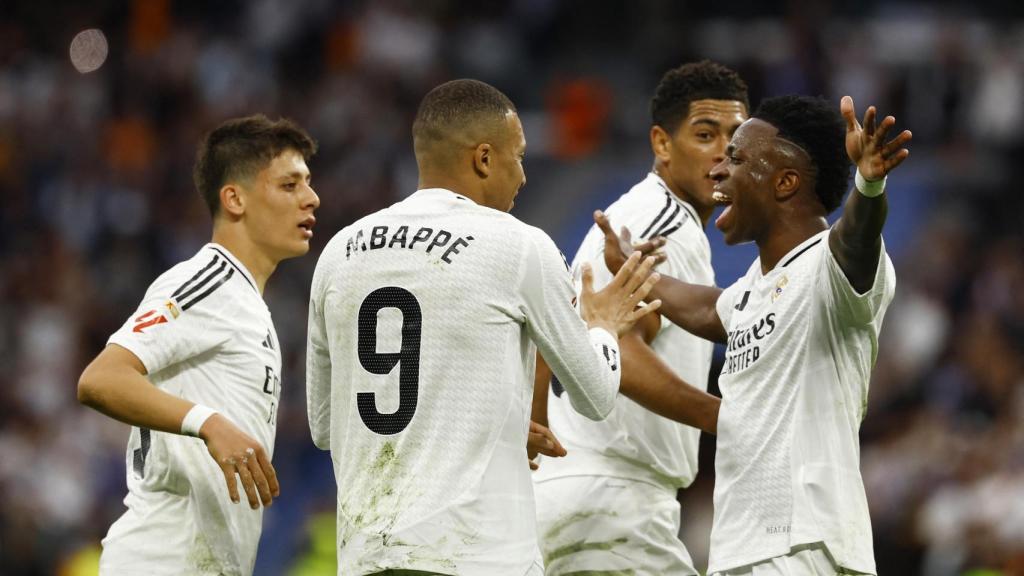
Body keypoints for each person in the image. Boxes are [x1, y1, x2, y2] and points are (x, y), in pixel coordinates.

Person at [305, 78, 662, 576]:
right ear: (484, 159)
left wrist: (491, 423)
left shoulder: (339, 251)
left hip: (368, 557)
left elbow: (325, 426)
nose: (523, 176)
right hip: (479, 556)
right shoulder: (517, 245)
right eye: (519, 157)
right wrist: (601, 326)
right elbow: (595, 397)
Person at [596, 95, 912, 576]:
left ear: (785, 182)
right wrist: (636, 268)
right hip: (744, 548)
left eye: (738, 158)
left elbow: (858, 241)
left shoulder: (830, 269)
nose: (719, 170)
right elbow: (708, 308)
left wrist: (869, 186)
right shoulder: (752, 290)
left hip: (805, 545)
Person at [77, 115, 321, 575]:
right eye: (290, 185)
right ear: (234, 198)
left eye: (307, 183)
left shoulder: (247, 302)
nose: (312, 198)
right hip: (161, 560)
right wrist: (209, 423)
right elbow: (100, 378)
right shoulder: (208, 281)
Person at [533, 60, 748, 575]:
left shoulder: (639, 214)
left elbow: (557, 335)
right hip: (613, 499)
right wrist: (724, 419)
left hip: (574, 490)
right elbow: (613, 350)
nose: (724, 152)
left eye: (737, 137)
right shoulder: (664, 224)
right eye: (704, 134)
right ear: (661, 143)